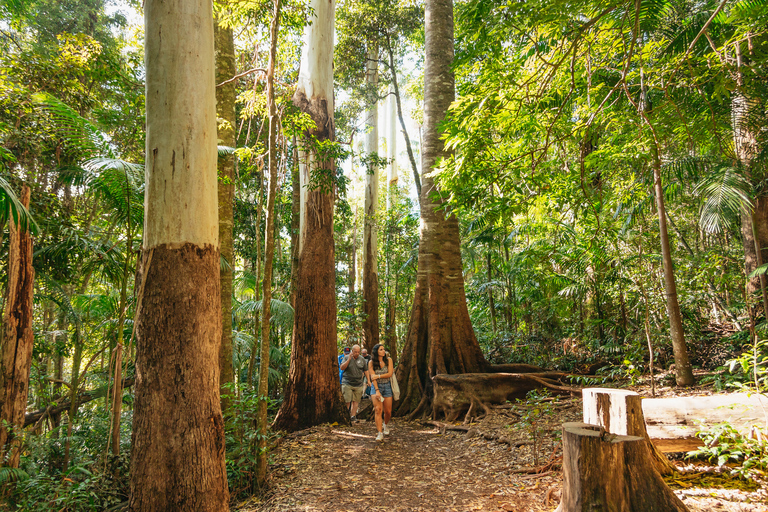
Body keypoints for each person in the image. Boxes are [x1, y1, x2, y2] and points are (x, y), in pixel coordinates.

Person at [368, 343, 394, 441]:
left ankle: (385, 424)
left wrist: (378, 376)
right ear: (376, 352)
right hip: (376, 387)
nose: (383, 351)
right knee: (378, 410)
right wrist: (377, 391)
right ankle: (380, 433)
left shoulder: (388, 360)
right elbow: (372, 377)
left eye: (383, 349)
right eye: (381, 349)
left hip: (387, 386)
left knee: (388, 411)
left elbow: (390, 374)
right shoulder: (371, 362)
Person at [339, 345, 367, 422]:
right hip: (347, 383)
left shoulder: (362, 359)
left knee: (356, 401)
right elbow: (342, 367)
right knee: (347, 400)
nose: (357, 353)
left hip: (358, 384)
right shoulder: (346, 357)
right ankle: (345, 416)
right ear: (352, 351)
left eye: (358, 352)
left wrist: (369, 380)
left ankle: (353, 416)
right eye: (355, 352)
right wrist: (349, 359)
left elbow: (366, 370)